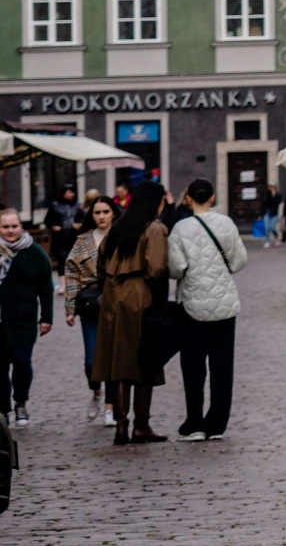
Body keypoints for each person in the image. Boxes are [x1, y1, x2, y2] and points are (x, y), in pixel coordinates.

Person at [167, 178, 247, 442]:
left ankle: (195, 421)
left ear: (188, 198)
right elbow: (238, 261)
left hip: (192, 302)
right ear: (212, 197)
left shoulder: (180, 228)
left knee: (193, 365)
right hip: (223, 301)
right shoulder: (226, 223)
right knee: (223, 365)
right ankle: (218, 424)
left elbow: (175, 268)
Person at [94, 178, 173, 445]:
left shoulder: (119, 227)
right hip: (139, 294)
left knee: (119, 360)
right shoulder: (154, 229)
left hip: (112, 295)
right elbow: (156, 267)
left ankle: (121, 426)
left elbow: (101, 262)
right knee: (143, 358)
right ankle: (141, 425)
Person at [0, 206, 55, 427]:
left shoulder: (34, 253)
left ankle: (20, 401)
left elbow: (46, 288)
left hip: (23, 320)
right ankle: (2, 410)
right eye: (5, 227)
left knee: (22, 364)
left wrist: (47, 317)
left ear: (21, 227)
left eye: (14, 226)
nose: (10, 231)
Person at [64, 194, 116, 423]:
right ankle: (96, 391)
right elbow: (72, 274)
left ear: (113, 213)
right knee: (91, 361)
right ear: (91, 215)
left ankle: (110, 408)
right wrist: (69, 308)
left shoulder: (122, 236)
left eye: (105, 211)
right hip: (90, 304)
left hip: (117, 303)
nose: (102, 216)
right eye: (97, 212)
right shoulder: (83, 241)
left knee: (114, 359)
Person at [43, 183, 83, 271]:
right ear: (63, 193)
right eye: (69, 192)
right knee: (62, 259)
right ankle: (62, 282)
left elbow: (83, 219)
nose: (71, 194)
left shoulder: (78, 206)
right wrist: (53, 227)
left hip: (74, 235)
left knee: (75, 258)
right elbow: (47, 220)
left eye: (72, 192)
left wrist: (79, 225)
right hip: (60, 237)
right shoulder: (55, 206)